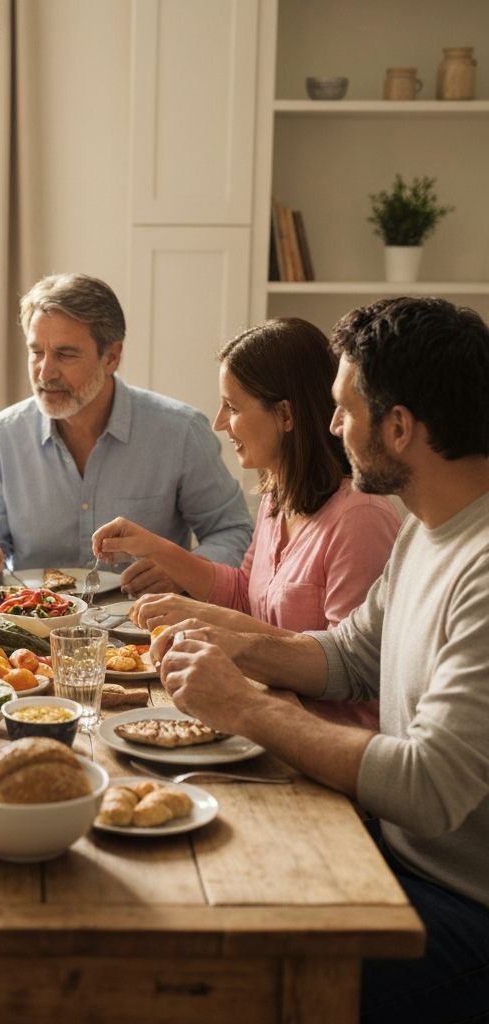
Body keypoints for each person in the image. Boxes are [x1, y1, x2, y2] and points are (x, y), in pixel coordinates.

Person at [151, 297, 489, 1023]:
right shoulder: (429, 533)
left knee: (201, 978)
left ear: (398, 428)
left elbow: (431, 785)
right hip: (388, 854)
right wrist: (230, 642)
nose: (332, 426)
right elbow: (348, 656)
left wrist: (245, 705)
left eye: (343, 409)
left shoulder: (482, 569)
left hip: (457, 907)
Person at [92, 318, 400, 727]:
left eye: (233, 407)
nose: (220, 422)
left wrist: (215, 623)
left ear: (286, 415)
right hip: (263, 714)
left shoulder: (360, 518)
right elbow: (243, 594)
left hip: (326, 739)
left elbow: (349, 665)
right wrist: (153, 546)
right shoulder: (278, 496)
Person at [0, 272, 253, 592]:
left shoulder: (180, 433)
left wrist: (185, 570)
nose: (45, 372)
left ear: (111, 357)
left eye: (65, 354)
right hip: (32, 627)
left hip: (146, 626)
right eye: (36, 352)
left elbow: (234, 531)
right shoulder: (2, 437)